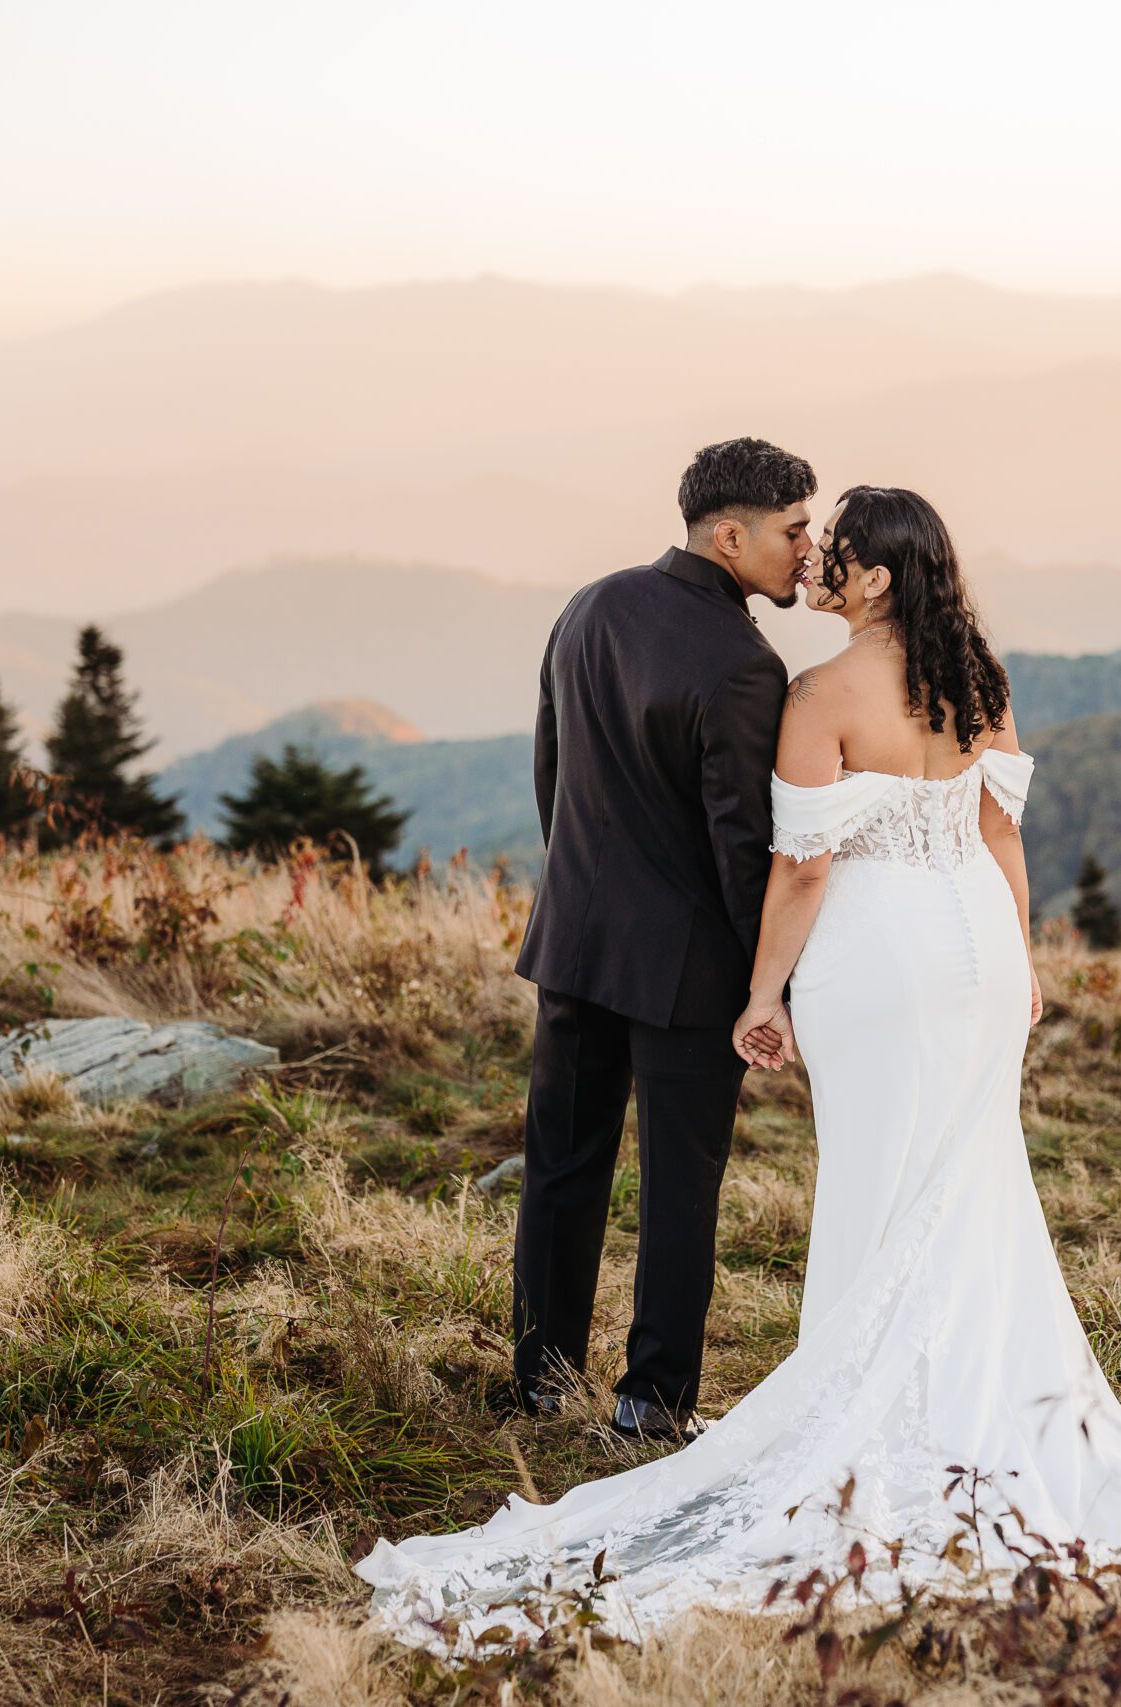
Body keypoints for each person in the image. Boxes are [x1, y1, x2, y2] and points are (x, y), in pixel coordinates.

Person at [355, 482, 1121, 1650]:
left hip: (881, 958)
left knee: (879, 1180)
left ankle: (861, 1408)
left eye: (835, 551)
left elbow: (803, 869)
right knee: (971, 1176)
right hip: (975, 947)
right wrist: (1020, 961)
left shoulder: (819, 692)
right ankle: (995, 1407)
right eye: (804, 539)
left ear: (871, 580)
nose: (815, 562)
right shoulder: (982, 683)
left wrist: (763, 993)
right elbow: (1000, 834)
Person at [505, 436, 815, 1439]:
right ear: (730, 536)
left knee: (562, 1164)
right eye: (792, 531)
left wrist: (579, 886)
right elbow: (741, 844)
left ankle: (544, 1379)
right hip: (686, 968)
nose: (805, 551)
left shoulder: (590, 605)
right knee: (681, 1185)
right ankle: (650, 1400)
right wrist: (770, 981)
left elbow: (551, 767)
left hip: (576, 937)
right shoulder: (741, 665)